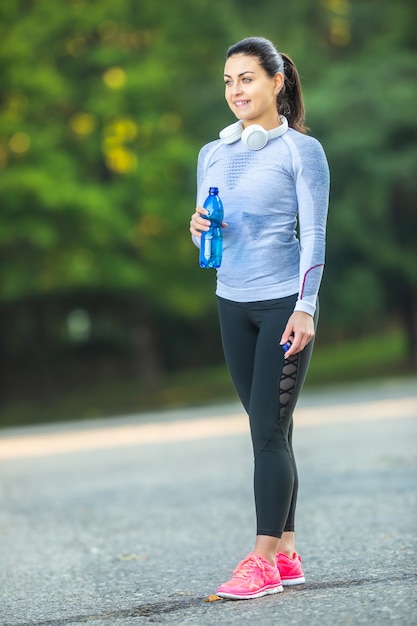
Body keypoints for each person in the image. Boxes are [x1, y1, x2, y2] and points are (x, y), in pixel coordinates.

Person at [189, 36, 330, 600]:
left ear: (277, 82)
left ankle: (262, 559)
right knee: (271, 428)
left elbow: (315, 234)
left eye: (246, 78)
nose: (235, 90)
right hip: (231, 301)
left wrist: (305, 306)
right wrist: (197, 228)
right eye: (227, 80)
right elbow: (212, 221)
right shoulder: (213, 152)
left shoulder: (301, 150)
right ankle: (289, 552)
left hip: (281, 304)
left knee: (267, 431)